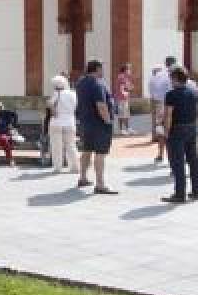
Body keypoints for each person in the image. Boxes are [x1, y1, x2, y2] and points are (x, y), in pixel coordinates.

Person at [75, 59, 117, 194]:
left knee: (86, 150)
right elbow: (101, 105)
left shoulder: (81, 82)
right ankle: (100, 184)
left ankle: (82, 177)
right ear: (97, 69)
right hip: (99, 124)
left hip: (85, 123)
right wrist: (108, 121)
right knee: (100, 154)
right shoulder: (97, 84)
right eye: (102, 69)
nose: (103, 71)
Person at [161, 66, 198, 203]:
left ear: (175, 79)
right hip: (191, 128)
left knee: (178, 162)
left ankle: (180, 194)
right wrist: (195, 126)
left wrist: (166, 132)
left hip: (177, 129)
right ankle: (196, 191)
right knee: (193, 160)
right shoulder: (194, 92)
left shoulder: (171, 94)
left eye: (171, 78)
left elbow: (168, 115)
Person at [46, 74, 79, 174]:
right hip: (70, 121)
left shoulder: (55, 94)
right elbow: (75, 107)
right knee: (71, 145)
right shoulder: (73, 93)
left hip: (57, 122)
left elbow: (52, 110)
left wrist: (50, 105)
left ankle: (58, 167)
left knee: (56, 146)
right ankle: (74, 166)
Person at [147, 62, 172, 162]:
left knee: (161, 130)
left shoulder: (155, 78)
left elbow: (152, 93)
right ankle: (170, 157)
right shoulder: (166, 76)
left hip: (160, 104)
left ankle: (161, 154)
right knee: (168, 131)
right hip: (169, 104)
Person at [114, 63, 134, 135]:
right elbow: (121, 88)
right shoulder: (122, 77)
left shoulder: (126, 77)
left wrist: (129, 88)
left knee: (126, 113)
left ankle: (128, 128)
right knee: (122, 113)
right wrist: (125, 93)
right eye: (129, 69)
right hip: (121, 98)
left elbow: (129, 87)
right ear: (125, 70)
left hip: (125, 98)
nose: (130, 70)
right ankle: (121, 129)